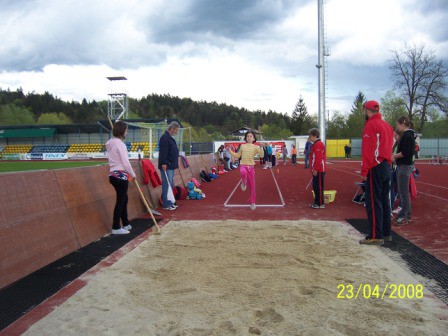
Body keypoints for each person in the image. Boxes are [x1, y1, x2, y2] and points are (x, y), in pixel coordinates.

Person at [359, 100, 394, 245]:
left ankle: (375, 235)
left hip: (375, 165)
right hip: (386, 164)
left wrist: (364, 169)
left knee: (373, 201)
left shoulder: (371, 125)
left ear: (367, 111)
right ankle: (386, 233)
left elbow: (369, 150)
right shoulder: (387, 125)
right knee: (384, 200)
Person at [106, 121, 137, 235]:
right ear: (122, 131)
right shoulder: (120, 144)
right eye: (126, 130)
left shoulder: (110, 143)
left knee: (124, 198)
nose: (127, 132)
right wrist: (133, 174)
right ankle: (116, 227)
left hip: (113, 175)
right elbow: (125, 162)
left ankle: (125, 223)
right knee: (121, 200)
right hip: (120, 176)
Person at [228, 131, 264, 210]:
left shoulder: (256, 147)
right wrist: (230, 151)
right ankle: (244, 182)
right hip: (243, 165)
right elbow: (237, 155)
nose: (249, 137)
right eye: (247, 136)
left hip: (251, 167)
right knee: (242, 172)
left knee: (252, 186)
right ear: (245, 138)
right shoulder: (242, 146)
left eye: (251, 136)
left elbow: (261, 155)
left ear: (254, 138)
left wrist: (261, 147)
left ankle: (252, 202)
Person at [392, 116, 416, 225]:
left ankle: (404, 216)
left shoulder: (407, 135)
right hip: (404, 165)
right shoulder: (409, 135)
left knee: (403, 193)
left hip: (404, 166)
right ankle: (407, 214)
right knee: (403, 192)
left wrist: (395, 156)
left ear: (402, 124)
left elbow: (406, 152)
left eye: (397, 124)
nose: (397, 126)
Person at [158, 121, 180, 211]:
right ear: (171, 129)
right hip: (167, 165)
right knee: (167, 184)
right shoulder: (165, 138)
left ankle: (170, 202)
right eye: (176, 130)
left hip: (170, 165)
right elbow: (163, 152)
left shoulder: (169, 138)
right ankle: (167, 204)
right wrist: (164, 163)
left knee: (170, 184)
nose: (177, 132)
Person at [308, 128, 326, 209]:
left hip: (319, 169)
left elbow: (318, 158)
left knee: (318, 186)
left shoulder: (318, 144)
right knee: (316, 186)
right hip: (317, 169)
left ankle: (320, 203)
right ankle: (317, 202)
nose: (309, 138)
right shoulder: (316, 144)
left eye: (310, 136)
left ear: (315, 136)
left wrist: (315, 169)